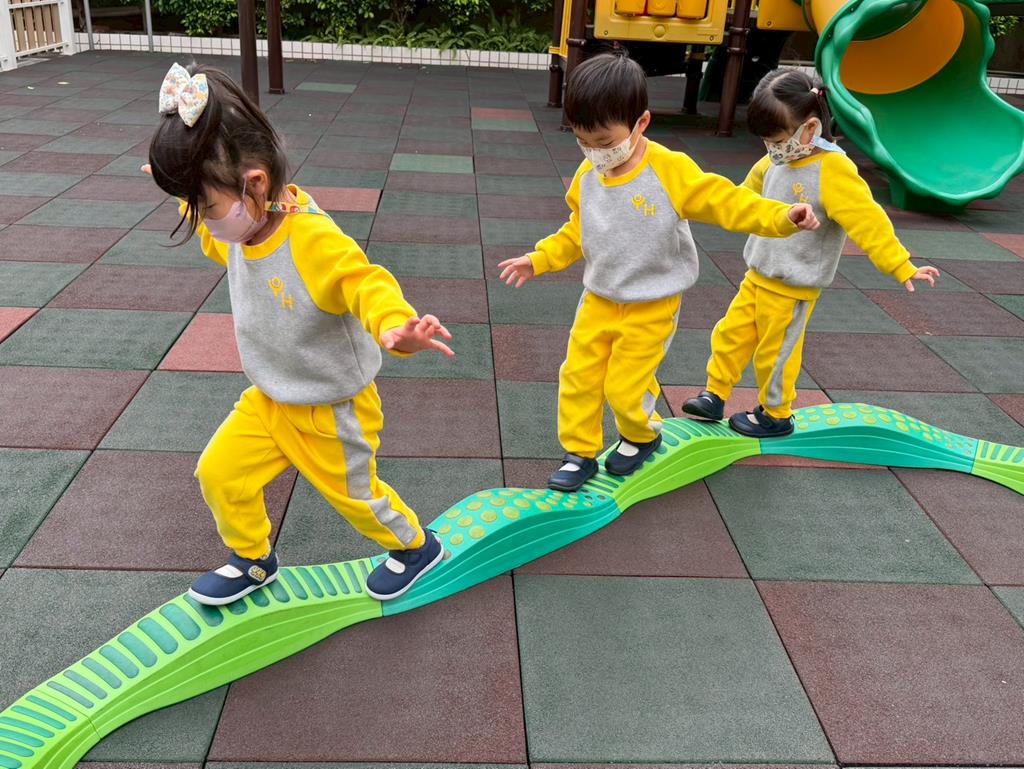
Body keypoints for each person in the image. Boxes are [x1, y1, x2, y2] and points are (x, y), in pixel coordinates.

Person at [147, 63, 453, 604]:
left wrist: (396, 328)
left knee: (357, 499)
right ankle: (253, 559)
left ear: (255, 183)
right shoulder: (240, 228)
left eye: (205, 205)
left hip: (331, 406)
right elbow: (214, 230)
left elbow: (365, 282)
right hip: (270, 398)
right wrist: (180, 184)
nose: (203, 219)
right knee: (220, 473)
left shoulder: (312, 239)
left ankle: (416, 547)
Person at [498, 53, 820, 492]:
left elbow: (726, 202)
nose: (595, 152)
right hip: (598, 298)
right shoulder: (589, 173)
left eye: (604, 140)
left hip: (652, 303)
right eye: (583, 141)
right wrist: (539, 258)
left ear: (641, 123)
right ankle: (580, 452)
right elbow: (577, 230)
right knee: (577, 376)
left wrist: (783, 216)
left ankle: (640, 435)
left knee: (625, 385)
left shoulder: (669, 170)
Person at [683, 68, 939, 437]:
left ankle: (776, 414)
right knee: (729, 335)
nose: (772, 148)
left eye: (777, 139)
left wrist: (900, 265)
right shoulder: (775, 160)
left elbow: (867, 220)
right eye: (766, 141)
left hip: (793, 287)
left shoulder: (832, 169)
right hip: (757, 275)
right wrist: (703, 205)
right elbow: (742, 198)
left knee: (775, 354)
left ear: (810, 128)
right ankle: (714, 394)